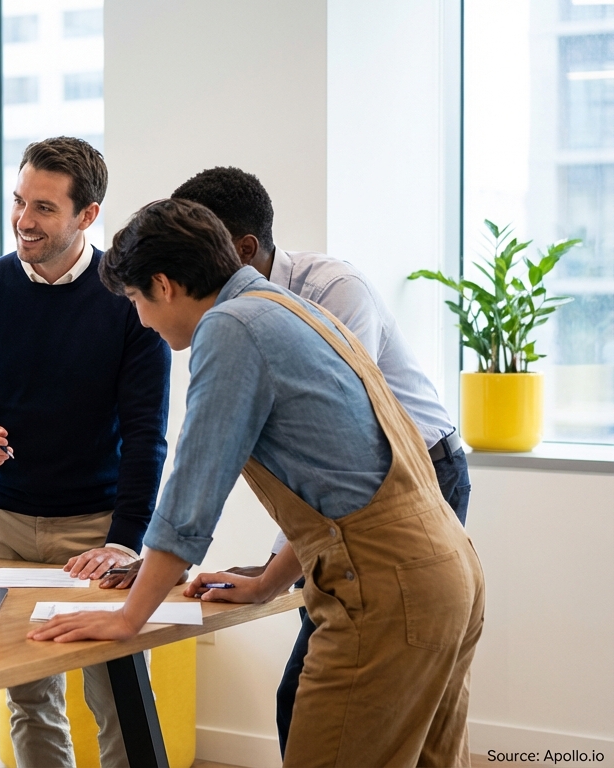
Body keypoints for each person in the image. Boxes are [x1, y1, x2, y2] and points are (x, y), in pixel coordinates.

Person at [32, 198, 485, 767]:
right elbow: (342, 487)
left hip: (389, 589)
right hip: (446, 573)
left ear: (165, 285)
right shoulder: (287, 307)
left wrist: (129, 617)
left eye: (135, 300)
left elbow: (194, 487)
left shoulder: (230, 326)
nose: (140, 319)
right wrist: (269, 583)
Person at [173, 166, 471, 753]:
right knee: (350, 694)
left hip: (421, 478)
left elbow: (338, 445)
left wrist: (271, 576)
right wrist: (269, 578)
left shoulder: (330, 292)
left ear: (243, 248)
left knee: (347, 686)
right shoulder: (238, 316)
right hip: (351, 507)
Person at [0, 137, 172, 768]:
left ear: (87, 216)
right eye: (18, 201)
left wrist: (124, 538)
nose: (23, 221)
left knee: (117, 693)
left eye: (43, 208)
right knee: (28, 694)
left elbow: (147, 433)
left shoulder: (129, 300)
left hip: (95, 532)